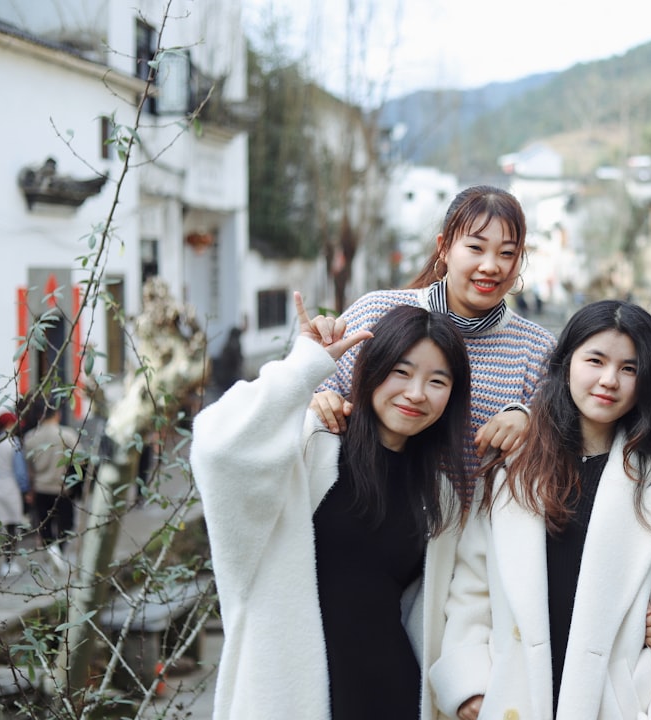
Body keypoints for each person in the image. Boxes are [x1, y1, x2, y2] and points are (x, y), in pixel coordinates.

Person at [190, 295, 471, 720]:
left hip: (393, 696)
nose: (416, 393)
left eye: (437, 381)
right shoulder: (310, 448)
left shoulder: (439, 494)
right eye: (401, 372)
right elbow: (217, 449)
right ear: (372, 371)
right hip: (290, 697)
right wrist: (303, 368)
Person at [430, 300, 651, 720]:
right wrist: (469, 684)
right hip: (512, 698)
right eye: (595, 360)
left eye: (629, 369)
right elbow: (472, 587)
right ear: (566, 362)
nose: (609, 380)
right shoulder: (514, 466)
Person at [312, 185, 557, 503]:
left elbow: (560, 443)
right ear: (444, 248)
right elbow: (313, 392)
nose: (490, 265)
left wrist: (528, 419)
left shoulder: (537, 349)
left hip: (469, 542)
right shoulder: (378, 312)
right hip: (365, 514)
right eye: (475, 248)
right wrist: (317, 394)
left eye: (507, 253)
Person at [22, 395, 82, 566]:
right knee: (66, 523)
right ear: (57, 414)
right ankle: (60, 551)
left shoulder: (30, 438)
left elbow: (28, 468)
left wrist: (29, 490)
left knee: (44, 524)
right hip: (62, 488)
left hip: (40, 488)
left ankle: (51, 551)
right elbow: (82, 459)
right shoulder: (67, 435)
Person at [0, 411, 29, 575]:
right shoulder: (13, 442)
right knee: (11, 527)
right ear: (10, 425)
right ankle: (8, 564)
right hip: (10, 487)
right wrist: (25, 490)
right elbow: (20, 472)